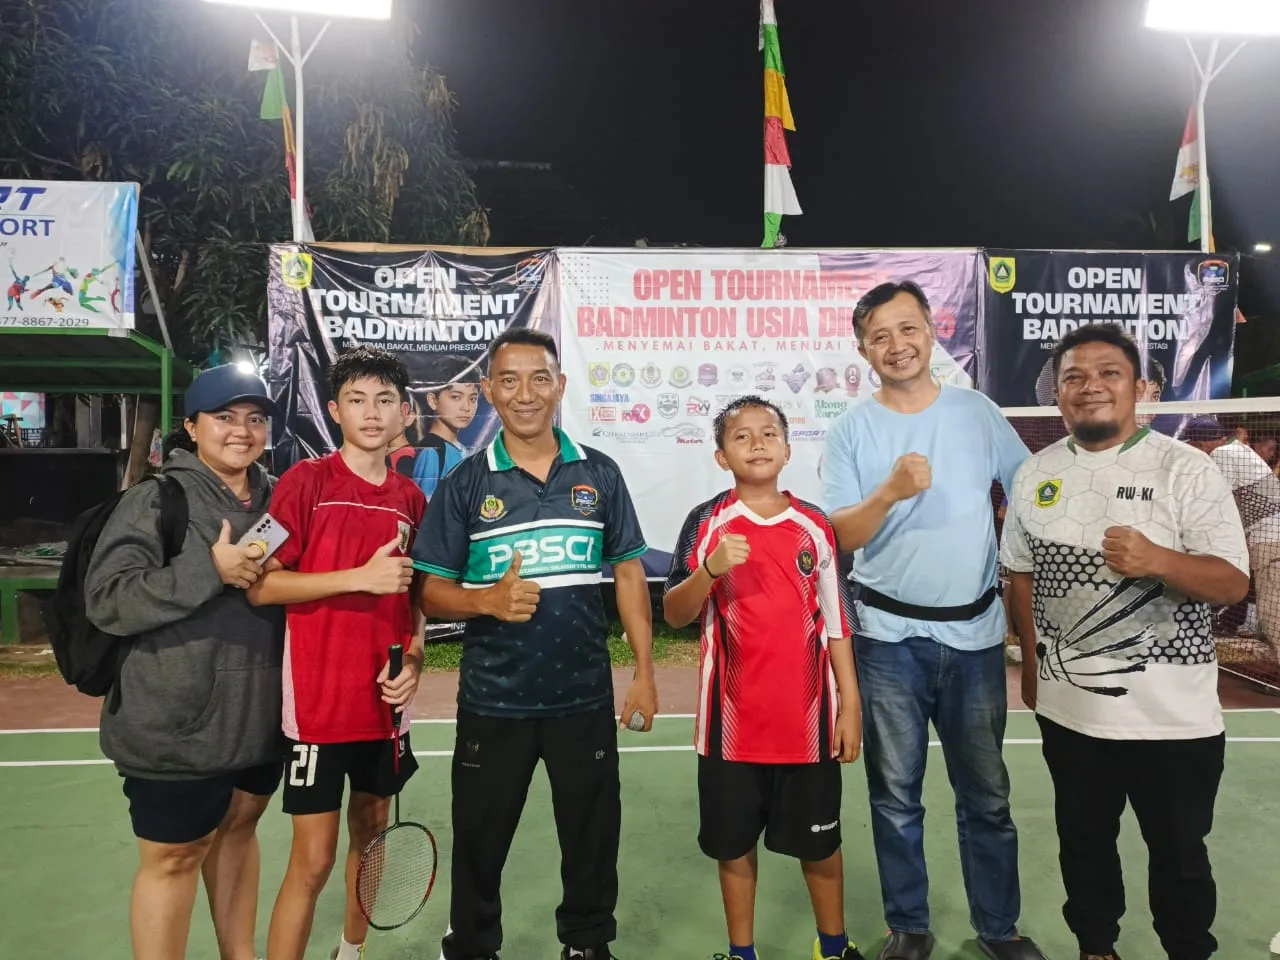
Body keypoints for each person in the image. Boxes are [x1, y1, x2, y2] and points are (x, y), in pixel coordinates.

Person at [1001, 323, 1250, 960]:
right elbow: (1020, 574)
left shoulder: (1186, 468)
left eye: (1108, 373)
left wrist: (1158, 560)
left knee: (1180, 855)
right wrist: (1032, 664)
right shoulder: (1035, 473)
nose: (1090, 387)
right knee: (1083, 844)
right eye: (1074, 376)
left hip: (1173, 720)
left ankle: (1188, 949)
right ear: (1058, 393)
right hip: (1072, 713)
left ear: (1139, 387)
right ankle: (1096, 947)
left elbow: (1231, 582)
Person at [414, 326, 658, 960]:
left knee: (591, 834)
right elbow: (430, 590)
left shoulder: (599, 473)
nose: (525, 394)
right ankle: (472, 944)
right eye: (510, 380)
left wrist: (644, 672)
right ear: (490, 390)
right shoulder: (467, 483)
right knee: (479, 836)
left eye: (539, 379)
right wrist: (485, 602)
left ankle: (586, 943)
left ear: (560, 386)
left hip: (582, 697)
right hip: (494, 700)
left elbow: (629, 574)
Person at [820, 280, 1045, 960]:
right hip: (886, 640)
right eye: (880, 336)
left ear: (932, 330)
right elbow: (839, 536)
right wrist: (889, 492)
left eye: (908, 328)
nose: (898, 345)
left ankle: (999, 928)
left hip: (976, 639)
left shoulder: (977, 412)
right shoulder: (852, 429)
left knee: (988, 797)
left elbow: (1033, 489)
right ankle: (909, 926)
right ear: (863, 350)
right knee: (894, 797)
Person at [84, 364, 285, 960]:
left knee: (238, 835)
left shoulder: (281, 498)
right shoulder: (156, 499)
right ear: (192, 428)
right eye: (224, 417)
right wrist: (209, 569)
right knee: (173, 858)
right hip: (174, 725)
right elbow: (109, 599)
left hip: (258, 718)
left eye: (255, 418)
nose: (241, 431)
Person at [663, 396, 865, 960]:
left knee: (820, 848)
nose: (757, 443)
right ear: (721, 456)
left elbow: (837, 624)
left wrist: (850, 707)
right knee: (734, 849)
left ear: (788, 449)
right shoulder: (707, 523)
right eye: (741, 436)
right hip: (729, 732)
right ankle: (742, 952)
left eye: (769, 433)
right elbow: (675, 613)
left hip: (808, 729)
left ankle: (833, 946)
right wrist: (710, 570)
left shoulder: (814, 525)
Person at [250, 346, 427, 960]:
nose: (371, 413)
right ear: (334, 411)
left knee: (372, 835)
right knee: (314, 858)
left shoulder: (412, 500)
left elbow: (418, 604)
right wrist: (358, 578)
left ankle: (351, 951)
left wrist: (415, 659)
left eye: (384, 400)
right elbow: (261, 584)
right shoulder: (304, 483)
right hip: (319, 708)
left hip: (384, 709)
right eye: (356, 400)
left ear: (404, 412)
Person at [1184, 415, 1280, 662]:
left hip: (1270, 540)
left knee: (1274, 612)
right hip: (1270, 537)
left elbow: (1216, 503)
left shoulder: (1222, 455)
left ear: (1203, 443)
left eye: (1195, 445)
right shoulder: (1238, 450)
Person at [410, 353, 481, 498]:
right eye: (456, 397)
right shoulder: (432, 451)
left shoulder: (463, 450)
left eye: (473, 399)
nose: (466, 407)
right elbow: (423, 505)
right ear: (433, 400)